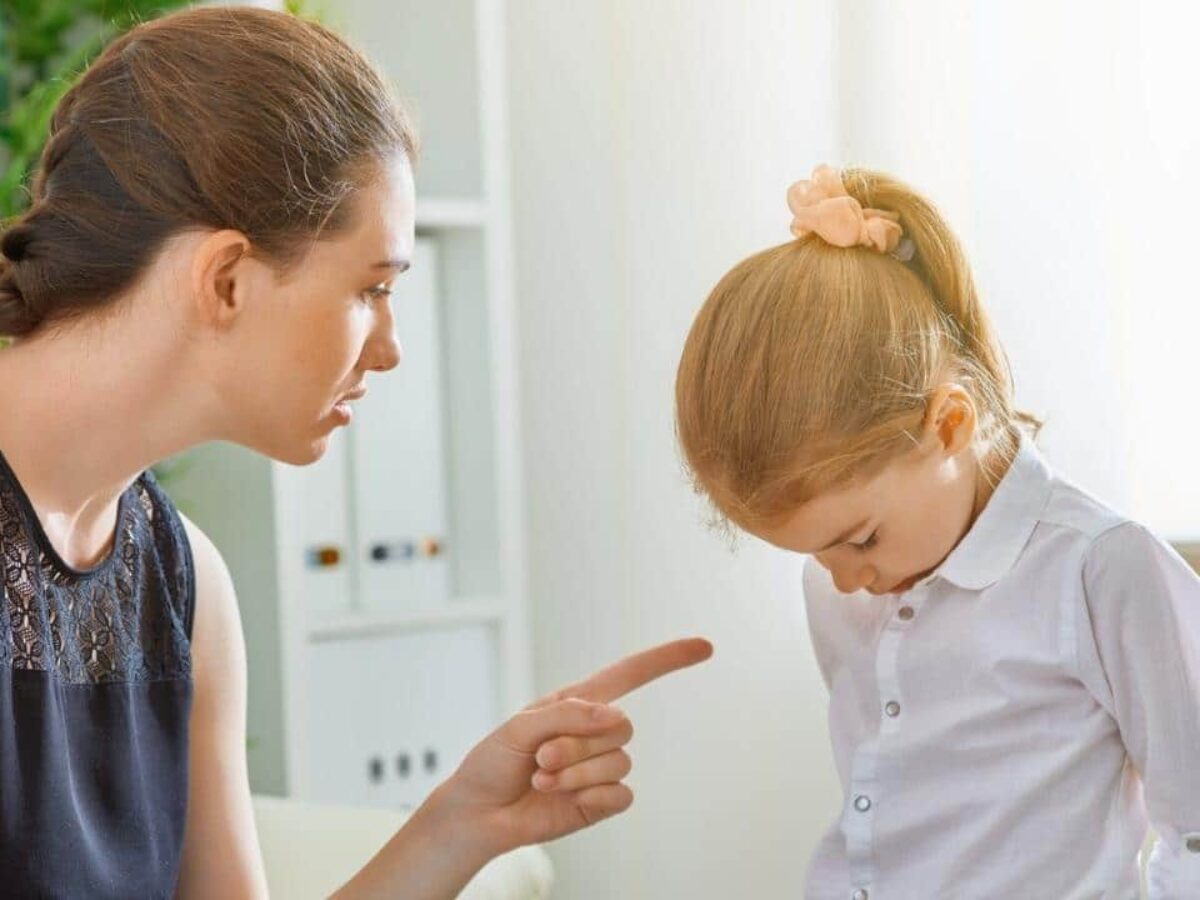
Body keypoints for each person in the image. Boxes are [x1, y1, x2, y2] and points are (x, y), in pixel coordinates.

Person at [0, 7, 712, 898]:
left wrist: (462, 822)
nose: (390, 349)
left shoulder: (186, 589)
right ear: (225, 279)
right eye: (371, 289)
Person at [674, 164, 1200, 898]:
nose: (841, 579)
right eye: (811, 553)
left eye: (858, 540)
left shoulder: (1101, 569)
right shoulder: (840, 591)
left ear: (949, 425)